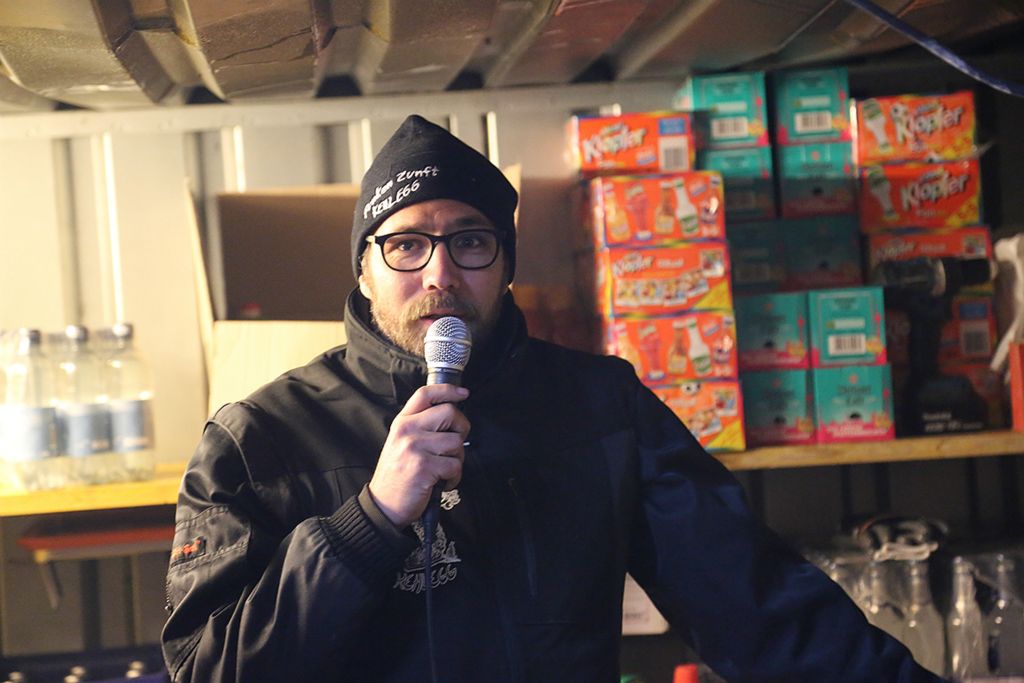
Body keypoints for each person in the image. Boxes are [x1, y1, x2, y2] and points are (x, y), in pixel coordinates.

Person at [161, 114, 946, 682]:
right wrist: (370, 521)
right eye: (406, 244)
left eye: (470, 241)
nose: (440, 274)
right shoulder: (258, 440)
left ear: (505, 265)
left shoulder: (600, 405)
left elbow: (758, 606)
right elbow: (208, 669)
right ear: (364, 270)